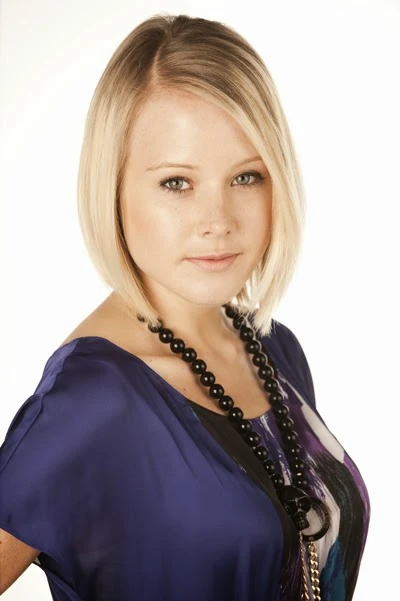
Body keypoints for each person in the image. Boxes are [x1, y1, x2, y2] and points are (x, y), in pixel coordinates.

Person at [0, 13, 370, 601]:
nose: (217, 221)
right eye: (177, 182)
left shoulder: (276, 350)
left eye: (246, 177)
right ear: (113, 187)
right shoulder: (89, 402)